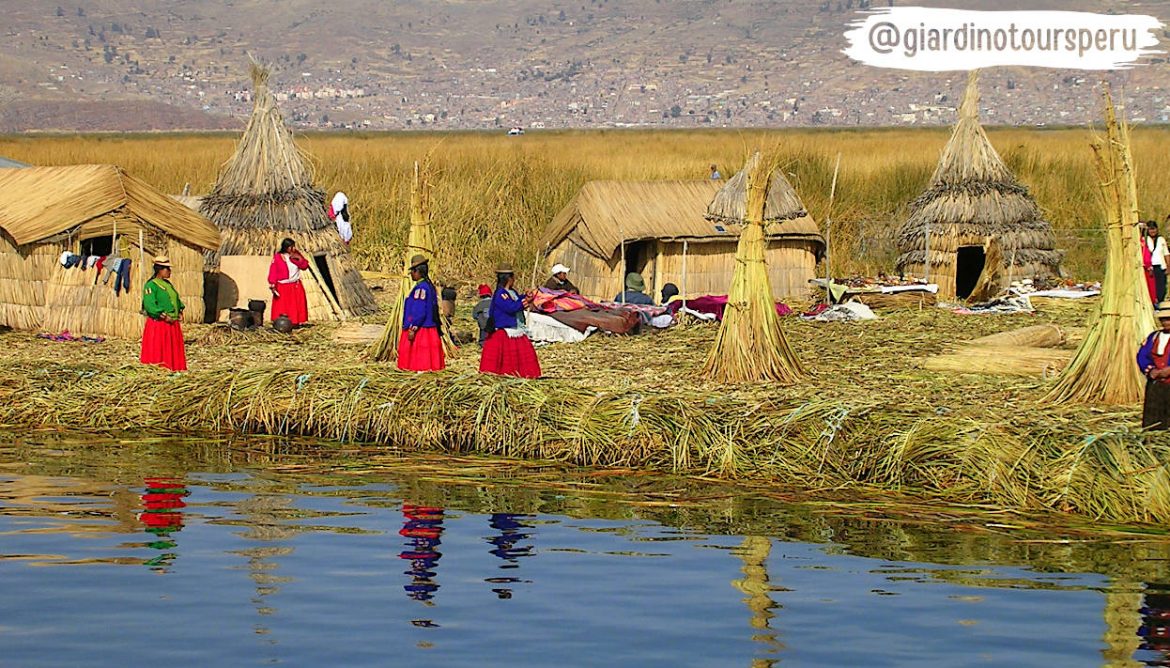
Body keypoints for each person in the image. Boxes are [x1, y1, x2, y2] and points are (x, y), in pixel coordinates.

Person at [479, 263, 541, 378]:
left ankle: (521, 374)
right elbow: (510, 307)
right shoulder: (500, 294)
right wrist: (524, 303)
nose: (514, 280)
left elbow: (517, 300)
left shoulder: (511, 292)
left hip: (516, 327)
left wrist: (525, 297)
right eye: (513, 277)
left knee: (522, 354)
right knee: (507, 356)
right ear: (509, 278)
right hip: (505, 330)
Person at [398, 254, 445, 372]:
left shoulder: (421, 289)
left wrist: (413, 328)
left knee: (420, 358)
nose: (411, 275)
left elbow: (419, 310)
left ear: (418, 272)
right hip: (428, 325)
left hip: (422, 328)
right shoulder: (428, 286)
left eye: (412, 272)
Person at [140, 256, 187, 372]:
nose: (169, 271)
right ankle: (159, 370)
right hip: (160, 324)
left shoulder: (168, 284)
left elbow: (175, 299)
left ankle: (174, 368)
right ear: (159, 270)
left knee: (172, 348)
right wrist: (164, 317)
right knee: (159, 348)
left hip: (172, 323)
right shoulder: (151, 285)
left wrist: (180, 310)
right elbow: (150, 305)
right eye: (167, 269)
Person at [1137, 301, 1170, 430]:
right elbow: (1142, 355)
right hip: (1155, 385)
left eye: (1168, 319)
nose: (1166, 322)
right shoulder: (1154, 337)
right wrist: (1150, 370)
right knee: (1153, 416)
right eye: (1163, 319)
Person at [268, 238, 310, 326]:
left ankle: (295, 322)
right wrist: (272, 284)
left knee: (296, 305)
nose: (293, 249)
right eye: (291, 247)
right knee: (283, 306)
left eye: (294, 246)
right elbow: (273, 271)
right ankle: (282, 324)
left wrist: (300, 259)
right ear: (286, 247)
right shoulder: (278, 257)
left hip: (295, 285)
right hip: (283, 286)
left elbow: (304, 266)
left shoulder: (296, 255)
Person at [1147, 221, 1168, 304]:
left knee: (1161, 286)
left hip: (1160, 266)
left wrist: (1168, 266)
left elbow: (1166, 253)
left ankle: (1160, 302)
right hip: (1150, 267)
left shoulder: (1161, 239)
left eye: (1154, 229)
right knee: (1152, 287)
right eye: (1150, 229)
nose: (1153, 231)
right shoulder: (1145, 240)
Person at [1144, 221, 1159, 304]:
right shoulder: (1144, 241)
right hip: (1146, 266)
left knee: (1154, 286)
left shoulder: (1160, 239)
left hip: (1152, 266)